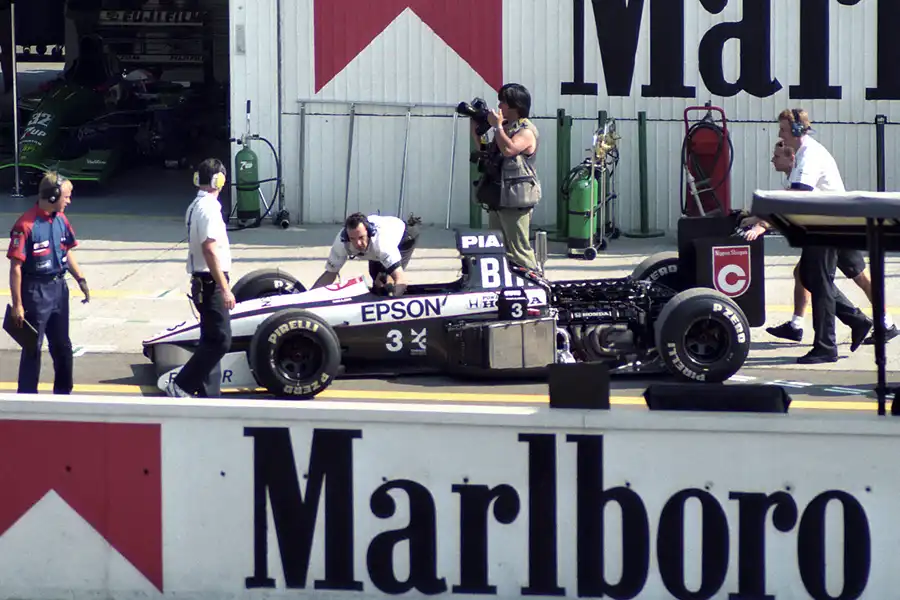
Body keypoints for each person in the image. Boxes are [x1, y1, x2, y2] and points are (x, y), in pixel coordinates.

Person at [745, 140, 897, 346]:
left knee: (858, 277)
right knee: (803, 273)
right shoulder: (793, 179)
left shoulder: (805, 177)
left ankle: (884, 323)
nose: (772, 159)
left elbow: (793, 208)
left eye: (777, 156)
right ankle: (796, 325)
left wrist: (762, 224)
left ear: (791, 159)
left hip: (836, 230)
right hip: (824, 231)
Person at [770, 108, 872, 364]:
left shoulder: (809, 155)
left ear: (795, 130)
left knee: (820, 283)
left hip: (827, 224)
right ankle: (857, 321)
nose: (780, 134)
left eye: (783, 129)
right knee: (808, 275)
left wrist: (765, 215)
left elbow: (799, 192)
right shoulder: (804, 153)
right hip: (826, 223)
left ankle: (826, 346)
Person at [6, 171, 90, 394]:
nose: (69, 201)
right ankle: (27, 397)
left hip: (58, 290)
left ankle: (64, 394)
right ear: (53, 196)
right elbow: (15, 267)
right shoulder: (25, 225)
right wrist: (18, 305)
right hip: (35, 292)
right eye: (67, 197)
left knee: (63, 346)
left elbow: (67, 252)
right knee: (32, 347)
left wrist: (80, 278)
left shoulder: (61, 220)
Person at [166, 158, 235, 398]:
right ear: (220, 181)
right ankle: (182, 385)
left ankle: (208, 395)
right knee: (221, 341)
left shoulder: (196, 205)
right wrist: (225, 288)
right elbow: (209, 248)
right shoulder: (209, 208)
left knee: (210, 340)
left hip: (203, 281)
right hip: (210, 281)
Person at [471, 83, 542, 272]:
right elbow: (487, 151)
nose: (499, 106)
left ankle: (535, 282)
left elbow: (509, 149)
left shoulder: (526, 131)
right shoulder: (506, 127)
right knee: (497, 245)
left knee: (518, 249)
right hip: (498, 196)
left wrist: (497, 127)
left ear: (515, 106)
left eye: (503, 102)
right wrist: (476, 127)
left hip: (516, 198)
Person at [312, 212, 421, 297]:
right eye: (352, 239)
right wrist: (307, 299)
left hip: (404, 236)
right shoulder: (341, 243)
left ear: (369, 233)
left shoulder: (382, 243)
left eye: (361, 237)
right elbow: (330, 274)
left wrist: (392, 303)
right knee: (376, 280)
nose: (358, 243)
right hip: (375, 249)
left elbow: (401, 280)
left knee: (384, 280)